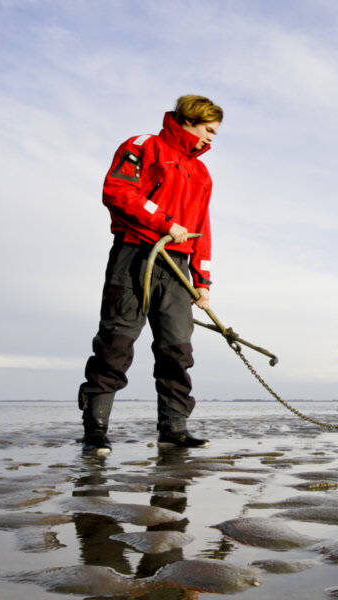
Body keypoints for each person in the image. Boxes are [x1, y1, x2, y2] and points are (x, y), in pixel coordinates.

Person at [77, 94, 223, 455]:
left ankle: (174, 429)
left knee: (177, 350)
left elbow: (201, 228)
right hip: (134, 256)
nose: (211, 140)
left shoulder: (202, 174)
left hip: (177, 270)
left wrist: (202, 283)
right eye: (208, 130)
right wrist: (165, 223)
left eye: (215, 134)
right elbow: (117, 190)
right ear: (188, 120)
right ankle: (95, 431)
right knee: (115, 343)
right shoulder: (143, 146)